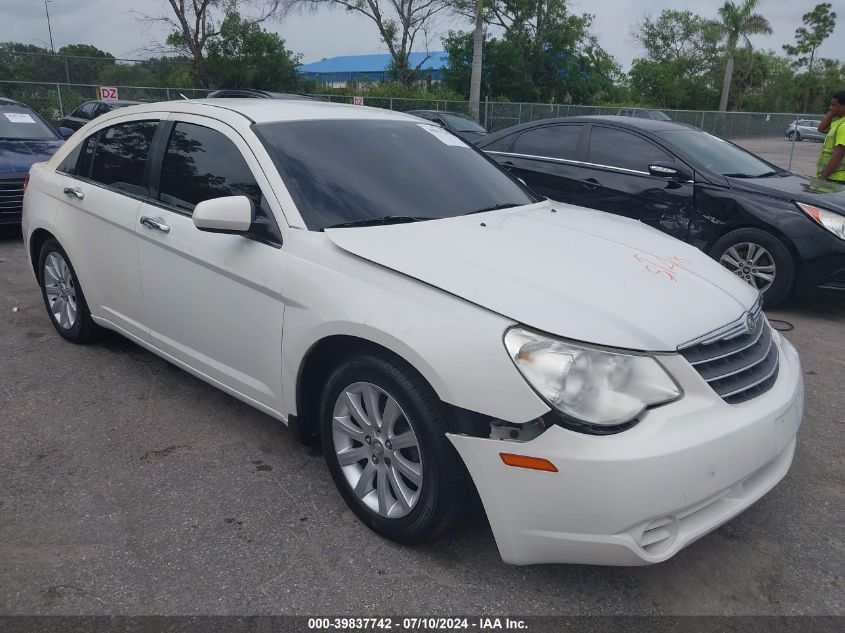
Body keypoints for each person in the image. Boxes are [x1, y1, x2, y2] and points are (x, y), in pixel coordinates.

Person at [816, 90, 845, 182]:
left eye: (833, 105)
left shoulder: (844, 125)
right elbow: (821, 128)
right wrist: (831, 113)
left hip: (837, 179)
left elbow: (838, 155)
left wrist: (823, 178)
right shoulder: (839, 122)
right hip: (832, 178)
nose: (830, 107)